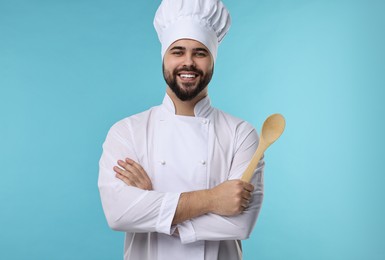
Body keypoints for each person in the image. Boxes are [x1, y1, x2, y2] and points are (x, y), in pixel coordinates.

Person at [98, 0, 264, 259]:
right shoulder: (127, 131)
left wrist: (152, 203)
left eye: (200, 52)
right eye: (178, 51)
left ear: (212, 59)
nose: (189, 62)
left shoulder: (241, 134)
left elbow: (241, 223)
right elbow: (119, 213)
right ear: (164, 57)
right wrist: (212, 199)